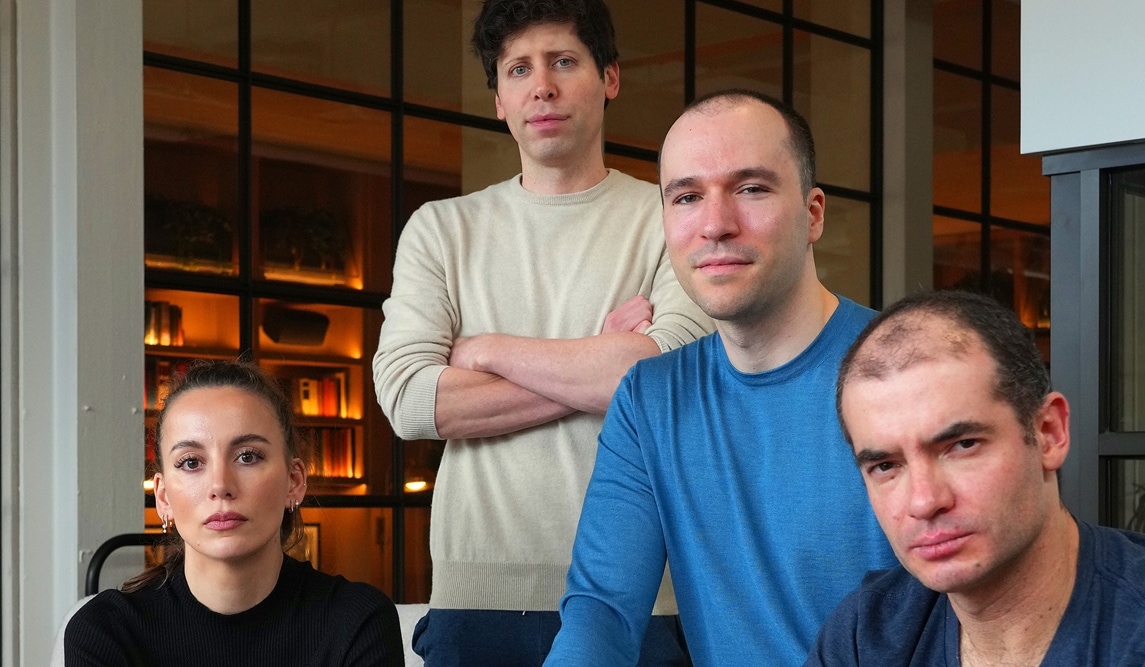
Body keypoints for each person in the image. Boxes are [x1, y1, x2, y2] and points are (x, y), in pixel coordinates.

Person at [371, 0, 711, 663]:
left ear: (609, 77)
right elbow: (412, 401)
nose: (542, 86)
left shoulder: (672, 217)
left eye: (563, 61)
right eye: (518, 68)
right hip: (478, 594)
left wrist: (486, 351)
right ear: (499, 98)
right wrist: (603, 363)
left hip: (642, 592)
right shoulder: (442, 230)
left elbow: (667, 376)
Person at [544, 90, 897, 666]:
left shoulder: (906, 372)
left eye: (751, 189)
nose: (715, 225)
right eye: (686, 197)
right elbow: (602, 610)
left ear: (813, 214)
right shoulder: (650, 398)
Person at [808, 290, 1145, 665]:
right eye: (886, 466)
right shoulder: (867, 635)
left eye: (962, 445)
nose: (924, 501)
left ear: (1049, 433)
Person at [65, 360, 404, 666]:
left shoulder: (359, 620)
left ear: (294, 481)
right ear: (164, 497)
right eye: (191, 462)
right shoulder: (105, 629)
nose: (220, 485)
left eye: (247, 456)